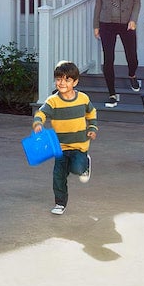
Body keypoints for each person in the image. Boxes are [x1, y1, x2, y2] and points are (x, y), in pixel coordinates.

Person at [32, 60, 98, 215]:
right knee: (58, 176)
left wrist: (93, 127)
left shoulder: (83, 98)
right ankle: (60, 203)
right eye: (59, 79)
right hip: (60, 147)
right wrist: (38, 123)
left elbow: (92, 113)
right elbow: (41, 113)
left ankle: (84, 166)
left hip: (79, 145)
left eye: (67, 79)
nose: (62, 83)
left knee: (77, 168)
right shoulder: (52, 101)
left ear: (75, 82)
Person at [92, 0, 143, 108]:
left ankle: (132, 75)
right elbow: (98, 3)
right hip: (106, 23)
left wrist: (133, 20)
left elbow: (137, 2)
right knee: (108, 59)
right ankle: (112, 94)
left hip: (127, 23)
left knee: (132, 56)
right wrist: (96, 25)